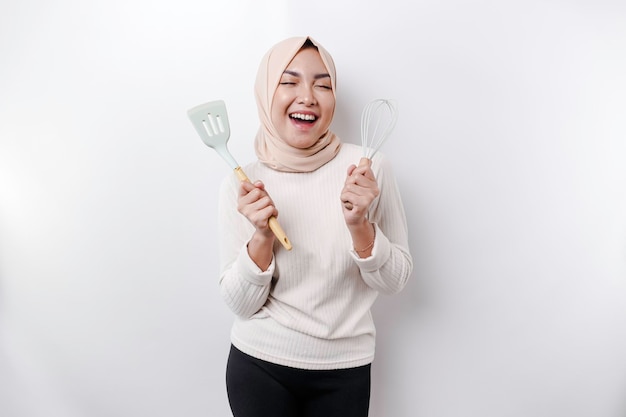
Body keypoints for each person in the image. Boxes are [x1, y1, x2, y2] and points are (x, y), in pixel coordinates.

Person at [217, 36, 413, 417]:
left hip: (346, 370)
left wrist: (359, 225)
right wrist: (260, 237)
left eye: (322, 85)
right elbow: (240, 303)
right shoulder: (242, 183)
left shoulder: (368, 169)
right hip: (259, 365)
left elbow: (395, 281)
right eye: (289, 82)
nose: (307, 96)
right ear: (265, 93)